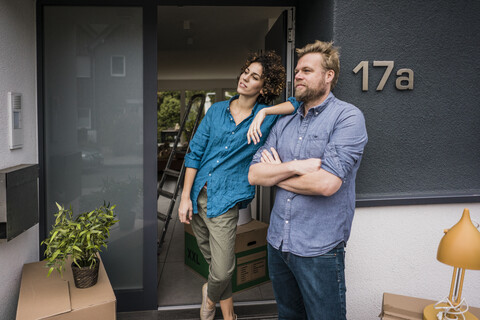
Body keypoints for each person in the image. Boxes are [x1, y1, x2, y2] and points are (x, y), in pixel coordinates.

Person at [248, 40, 368, 320]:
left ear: (329, 76)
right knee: (289, 316)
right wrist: (297, 167)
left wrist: (276, 175)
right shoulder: (283, 122)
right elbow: (254, 174)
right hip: (278, 244)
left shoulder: (347, 118)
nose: (298, 76)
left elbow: (327, 184)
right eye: (297, 71)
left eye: (306, 70)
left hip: (320, 249)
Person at [178, 51, 300, 320]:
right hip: (198, 195)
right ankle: (229, 315)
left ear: (263, 87)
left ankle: (209, 299)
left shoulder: (266, 117)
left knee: (222, 271)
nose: (245, 78)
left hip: (225, 201)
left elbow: (297, 103)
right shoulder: (217, 110)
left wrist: (266, 110)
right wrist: (185, 197)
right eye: (246, 72)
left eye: (254, 77)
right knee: (213, 264)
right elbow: (195, 152)